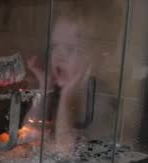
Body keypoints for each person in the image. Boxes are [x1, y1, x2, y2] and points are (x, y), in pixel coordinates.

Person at [26, 0, 122, 151]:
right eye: (54, 47)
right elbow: (28, 135)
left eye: (71, 49)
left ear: (98, 59)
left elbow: (66, 152)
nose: (58, 56)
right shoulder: (56, 92)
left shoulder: (100, 102)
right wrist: (45, 90)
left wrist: (66, 98)